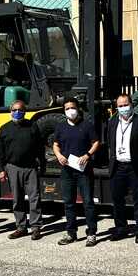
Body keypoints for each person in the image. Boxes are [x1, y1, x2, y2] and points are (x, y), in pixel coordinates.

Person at [53, 97, 100, 246]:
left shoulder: (87, 125)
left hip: (83, 170)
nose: (70, 111)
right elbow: (55, 144)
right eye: (67, 108)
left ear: (78, 108)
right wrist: (59, 156)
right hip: (67, 170)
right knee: (69, 202)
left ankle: (91, 233)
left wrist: (87, 155)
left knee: (88, 202)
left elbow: (96, 142)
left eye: (72, 107)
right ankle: (71, 233)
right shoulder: (60, 127)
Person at [107, 93, 138, 244]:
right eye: (120, 106)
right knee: (117, 199)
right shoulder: (112, 122)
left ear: (131, 105)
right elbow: (110, 142)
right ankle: (121, 228)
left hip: (135, 166)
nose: (123, 108)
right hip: (118, 166)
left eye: (125, 105)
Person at [0, 100, 45, 241]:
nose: (17, 112)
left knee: (34, 198)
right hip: (13, 168)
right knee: (17, 199)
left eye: (20, 110)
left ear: (25, 111)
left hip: (31, 167)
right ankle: (21, 227)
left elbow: (40, 147)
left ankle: (35, 227)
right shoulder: (4, 128)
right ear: (10, 111)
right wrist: (1, 169)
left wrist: (42, 163)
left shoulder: (32, 126)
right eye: (14, 110)